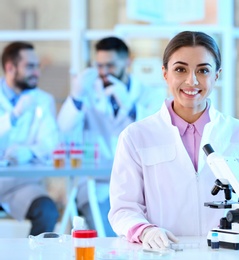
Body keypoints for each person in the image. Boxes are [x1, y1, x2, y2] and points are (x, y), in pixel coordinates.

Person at [108, 31, 239, 249]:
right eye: (180, 69)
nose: (191, 80)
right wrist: (145, 231)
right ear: (165, 73)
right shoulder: (136, 136)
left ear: (217, 75)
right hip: (164, 252)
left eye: (203, 70)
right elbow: (123, 208)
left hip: (225, 252)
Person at [57, 36, 165, 237]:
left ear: (128, 62)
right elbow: (64, 128)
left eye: (110, 66)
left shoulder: (149, 95)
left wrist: (131, 108)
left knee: (142, 229)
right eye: (99, 66)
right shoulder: (88, 93)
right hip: (95, 183)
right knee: (107, 232)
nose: (104, 72)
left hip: (138, 182)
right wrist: (77, 97)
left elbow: (156, 135)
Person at [0, 41, 59, 236]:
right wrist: (13, 117)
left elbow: (51, 145)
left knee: (47, 211)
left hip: (22, 185)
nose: (37, 72)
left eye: (37, 66)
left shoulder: (43, 100)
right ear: (10, 68)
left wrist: (29, 152)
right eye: (30, 66)